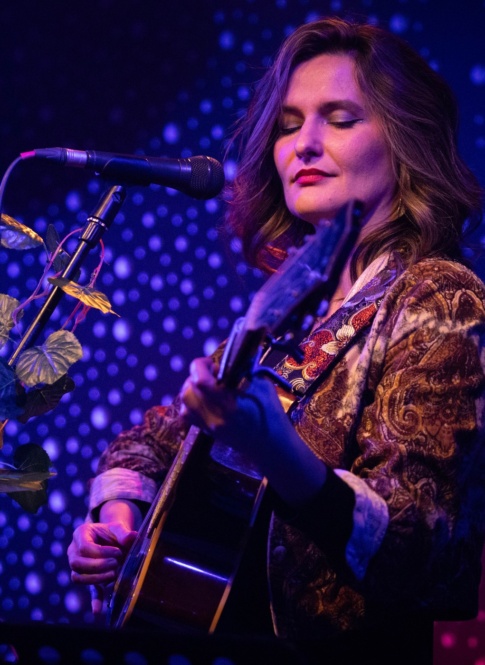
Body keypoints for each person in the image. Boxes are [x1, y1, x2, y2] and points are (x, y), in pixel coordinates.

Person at [67, 16, 485, 664]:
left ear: (406, 141)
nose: (304, 144)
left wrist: (273, 447)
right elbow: (152, 440)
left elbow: (421, 547)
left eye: (339, 119)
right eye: (288, 125)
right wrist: (119, 517)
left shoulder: (437, 297)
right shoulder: (288, 313)